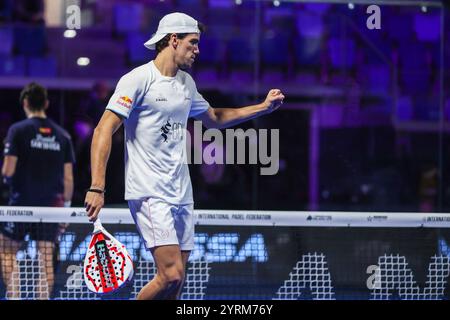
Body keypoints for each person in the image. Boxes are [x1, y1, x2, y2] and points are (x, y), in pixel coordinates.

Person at [84, 12, 285, 300]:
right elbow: (103, 130)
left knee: (175, 286)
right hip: (149, 192)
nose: (198, 50)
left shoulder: (186, 85)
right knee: (170, 274)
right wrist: (97, 186)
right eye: (193, 43)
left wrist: (262, 108)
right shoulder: (138, 80)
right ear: (173, 40)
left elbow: (215, 117)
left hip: (182, 194)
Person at [0, 82, 75, 299]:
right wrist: (66, 211)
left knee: (6, 250)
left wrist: (6, 175)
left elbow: (8, 170)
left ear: (25, 103)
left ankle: (14, 296)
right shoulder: (63, 135)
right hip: (51, 209)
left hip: (21, 205)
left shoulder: (17, 130)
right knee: (45, 258)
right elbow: (69, 178)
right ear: (47, 103)